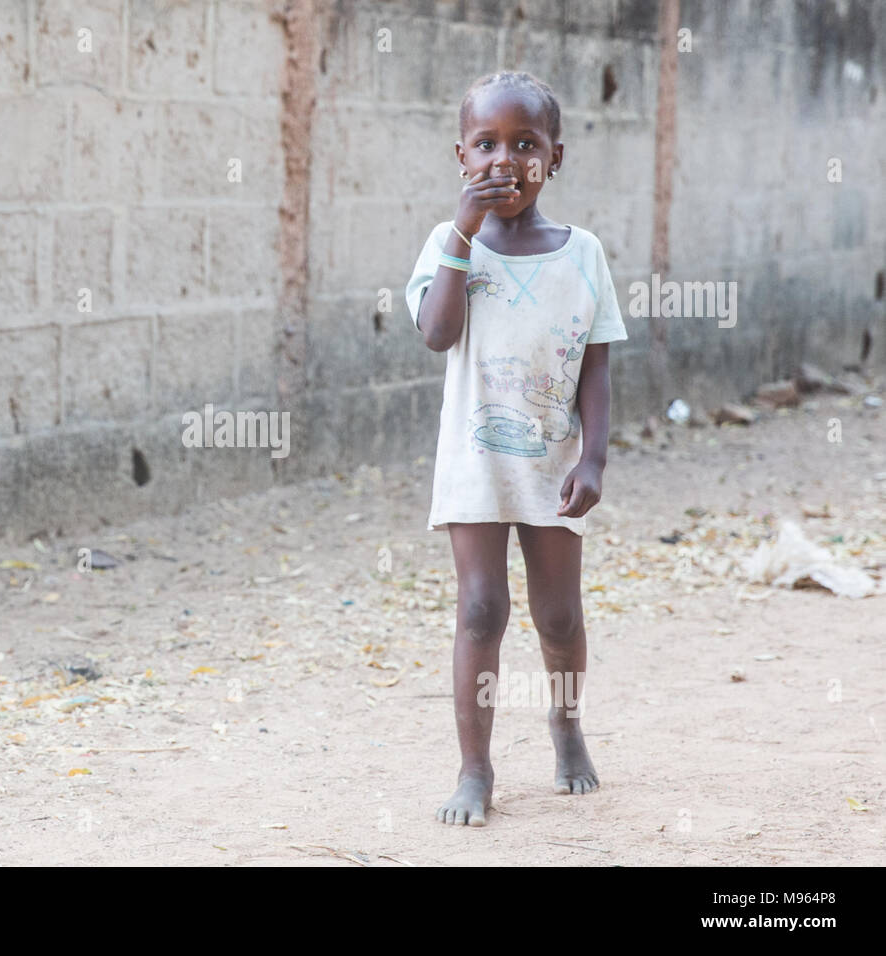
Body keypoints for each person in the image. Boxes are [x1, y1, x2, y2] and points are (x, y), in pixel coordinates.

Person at [404, 71, 629, 827]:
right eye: (487, 144)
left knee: (560, 615)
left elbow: (596, 368)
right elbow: (437, 333)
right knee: (479, 610)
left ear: (554, 158)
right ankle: (475, 771)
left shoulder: (583, 253)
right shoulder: (448, 246)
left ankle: (565, 729)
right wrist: (462, 236)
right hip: (476, 464)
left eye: (525, 145)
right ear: (460, 156)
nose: (506, 160)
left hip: (552, 465)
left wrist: (593, 458)